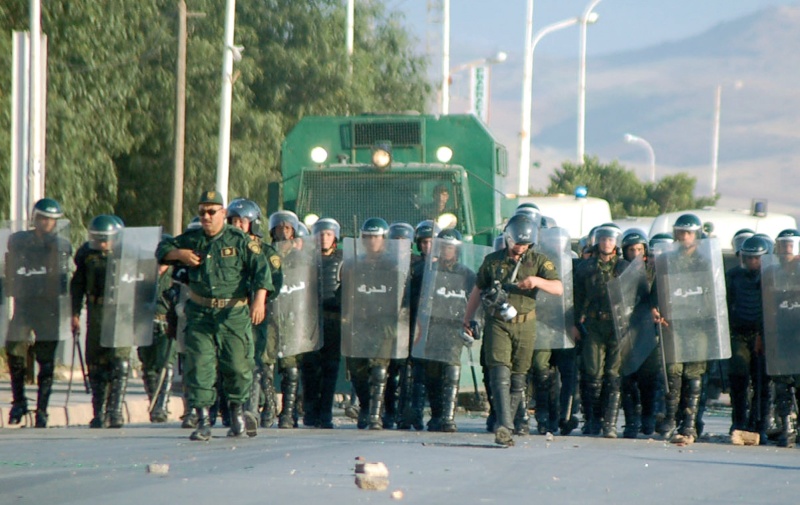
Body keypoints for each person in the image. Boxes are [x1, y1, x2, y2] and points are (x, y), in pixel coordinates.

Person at [156, 191, 272, 441]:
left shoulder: (239, 240)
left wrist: (259, 301)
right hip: (200, 313)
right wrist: (179, 255)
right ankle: (203, 420)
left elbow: (262, 271)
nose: (206, 217)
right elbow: (163, 248)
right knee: (199, 366)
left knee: (239, 366)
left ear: (223, 214)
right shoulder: (192, 239)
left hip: (233, 313)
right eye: (202, 212)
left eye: (211, 212)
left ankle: (237, 413)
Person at [462, 213, 563, 446]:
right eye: (518, 243)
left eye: (526, 244)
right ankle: (504, 426)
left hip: (526, 323)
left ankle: (509, 420)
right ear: (508, 238)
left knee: (519, 377)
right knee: (500, 372)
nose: (521, 248)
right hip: (498, 322)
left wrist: (536, 282)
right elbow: (478, 290)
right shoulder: (492, 261)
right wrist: (468, 318)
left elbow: (557, 287)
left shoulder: (539, 261)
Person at [651, 214, 719, 445]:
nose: (684, 237)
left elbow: (712, 297)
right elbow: (656, 291)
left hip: (698, 326)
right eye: (680, 232)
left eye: (688, 233)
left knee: (694, 374)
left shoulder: (704, 263)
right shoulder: (667, 261)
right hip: (673, 326)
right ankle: (670, 419)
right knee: (673, 372)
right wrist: (656, 309)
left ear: (697, 237)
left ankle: (689, 422)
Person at [5, 198, 72, 428]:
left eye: (51, 220)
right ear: (35, 218)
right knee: (14, 349)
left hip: (49, 308)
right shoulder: (20, 241)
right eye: (42, 218)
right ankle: (19, 401)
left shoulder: (60, 245)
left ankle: (42, 409)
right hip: (24, 304)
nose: (46, 223)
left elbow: (63, 278)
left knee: (46, 359)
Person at [227, 200, 283, 429]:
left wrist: (259, 300)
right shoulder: (224, 250)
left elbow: (276, 282)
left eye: (243, 221)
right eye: (234, 221)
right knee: (232, 363)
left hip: (256, 313)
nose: (238, 225)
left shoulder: (266, 253)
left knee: (258, 362)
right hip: (229, 313)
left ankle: (254, 410)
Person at [71, 214, 130, 428]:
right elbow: (77, 285)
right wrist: (74, 313)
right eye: (98, 239)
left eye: (106, 239)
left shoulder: (127, 254)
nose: (102, 243)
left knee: (119, 360)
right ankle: (99, 412)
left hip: (121, 311)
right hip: (96, 310)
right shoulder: (87, 255)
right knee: (96, 361)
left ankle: (115, 411)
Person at [573, 223, 629, 438]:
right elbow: (577, 299)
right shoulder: (586, 268)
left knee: (613, 375)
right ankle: (592, 420)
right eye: (603, 239)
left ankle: (610, 423)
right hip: (594, 325)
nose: (607, 243)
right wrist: (576, 323)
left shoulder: (624, 267)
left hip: (617, 325)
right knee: (593, 374)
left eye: (611, 239)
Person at [726, 234, 771, 442]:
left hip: (764, 334)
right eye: (749, 257)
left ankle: (759, 422)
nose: (753, 261)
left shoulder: (771, 276)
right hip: (738, 333)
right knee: (738, 377)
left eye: (757, 258)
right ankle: (739, 421)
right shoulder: (733, 276)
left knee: (762, 380)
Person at [301, 218, 343, 429]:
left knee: (330, 369)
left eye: (328, 233)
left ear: (335, 236)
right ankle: (310, 412)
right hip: (310, 321)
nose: (324, 237)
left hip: (334, 322)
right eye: (320, 233)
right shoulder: (306, 259)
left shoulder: (344, 260)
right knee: (309, 368)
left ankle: (325, 413)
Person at [398, 219, 439, 430]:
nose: (426, 246)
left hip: (435, 325)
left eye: (430, 241)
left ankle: (432, 413)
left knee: (429, 373)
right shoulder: (412, 264)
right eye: (423, 242)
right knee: (408, 372)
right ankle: (408, 413)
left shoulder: (444, 266)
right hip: (411, 322)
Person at [137, 241, 180, 423]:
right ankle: (153, 402)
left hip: (166, 325)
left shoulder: (175, 275)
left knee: (165, 363)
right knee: (148, 365)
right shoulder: (144, 274)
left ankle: (161, 405)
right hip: (145, 323)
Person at [766, 229, 800, 447]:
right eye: (783, 245)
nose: (786, 249)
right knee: (781, 381)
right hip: (780, 332)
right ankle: (786, 425)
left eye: (790, 245)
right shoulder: (771, 272)